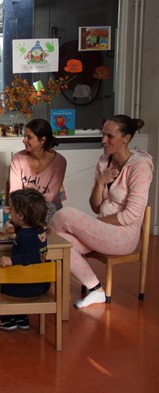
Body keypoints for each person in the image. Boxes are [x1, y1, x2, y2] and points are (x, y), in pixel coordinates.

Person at [49, 115, 153, 308]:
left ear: (126, 138)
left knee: (64, 214)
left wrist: (96, 224)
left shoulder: (140, 167)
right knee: (61, 242)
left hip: (124, 236)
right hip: (103, 230)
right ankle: (96, 289)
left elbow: (131, 215)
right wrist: (99, 183)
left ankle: (43, 272)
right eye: (103, 135)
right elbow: (95, 207)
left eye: (109, 136)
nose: (103, 141)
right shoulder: (104, 161)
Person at [0, 188, 50, 331]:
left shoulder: (25, 236)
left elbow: (31, 256)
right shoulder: (38, 231)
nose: (9, 212)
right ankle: (22, 317)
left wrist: (12, 260)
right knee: (22, 276)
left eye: (12, 211)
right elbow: (31, 247)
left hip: (25, 286)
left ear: (20, 215)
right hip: (40, 284)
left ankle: (7, 319)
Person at [9, 118, 67, 224]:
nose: (24, 140)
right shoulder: (17, 159)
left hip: (48, 206)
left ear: (42, 140)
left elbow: (51, 195)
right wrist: (25, 208)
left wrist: (30, 209)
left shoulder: (60, 162)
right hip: (24, 206)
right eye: (24, 136)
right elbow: (15, 192)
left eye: (29, 137)